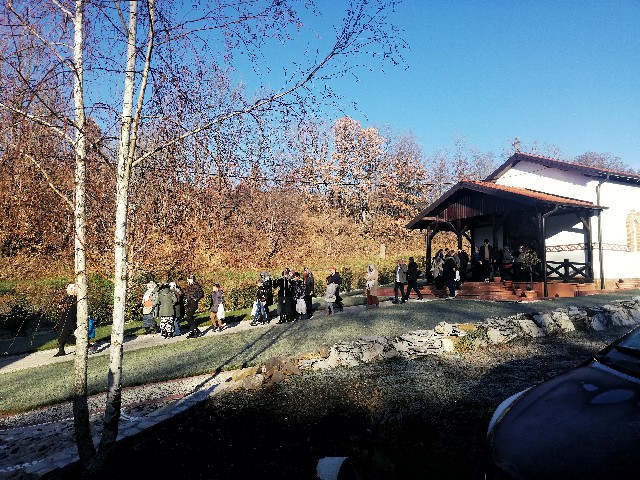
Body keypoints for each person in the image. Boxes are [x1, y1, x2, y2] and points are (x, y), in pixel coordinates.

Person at [54, 283, 77, 357]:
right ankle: (61, 350)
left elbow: (73, 307)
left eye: (68, 289)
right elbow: (60, 305)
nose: (67, 290)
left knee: (66, 335)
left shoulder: (75, 299)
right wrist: (60, 306)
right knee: (61, 335)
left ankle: (85, 344)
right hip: (63, 319)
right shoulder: (66, 298)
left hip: (70, 320)